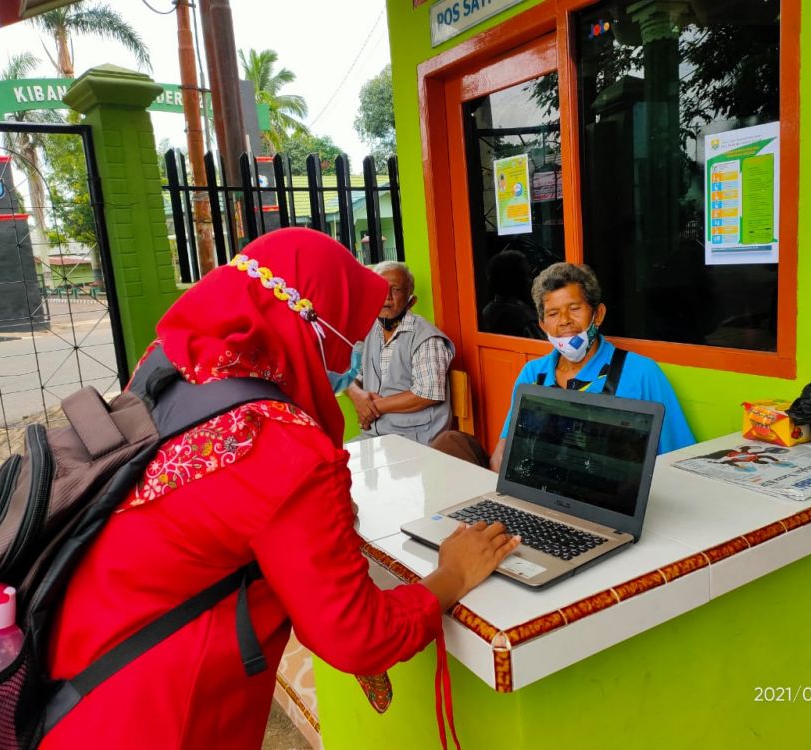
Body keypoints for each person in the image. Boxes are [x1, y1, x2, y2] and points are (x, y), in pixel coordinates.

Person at [41, 229, 519, 749]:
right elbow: (357, 636)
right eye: (348, 333)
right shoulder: (279, 445)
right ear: (312, 325)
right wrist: (452, 574)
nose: (351, 355)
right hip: (162, 716)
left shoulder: (170, 373)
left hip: (69, 685)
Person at [431, 262, 695, 471]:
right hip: (541, 495)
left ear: (598, 314)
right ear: (543, 325)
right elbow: (505, 451)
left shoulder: (641, 373)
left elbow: (680, 460)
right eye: (554, 314)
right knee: (449, 444)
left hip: (609, 506)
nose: (565, 321)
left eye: (574, 308)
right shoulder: (533, 375)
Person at [346, 261, 455, 445]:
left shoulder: (426, 337)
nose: (386, 297)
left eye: (395, 290)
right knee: (331, 464)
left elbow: (427, 394)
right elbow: (348, 374)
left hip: (416, 439)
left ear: (411, 300)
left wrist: (371, 407)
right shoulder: (369, 330)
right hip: (376, 437)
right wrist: (357, 395)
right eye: (380, 288)